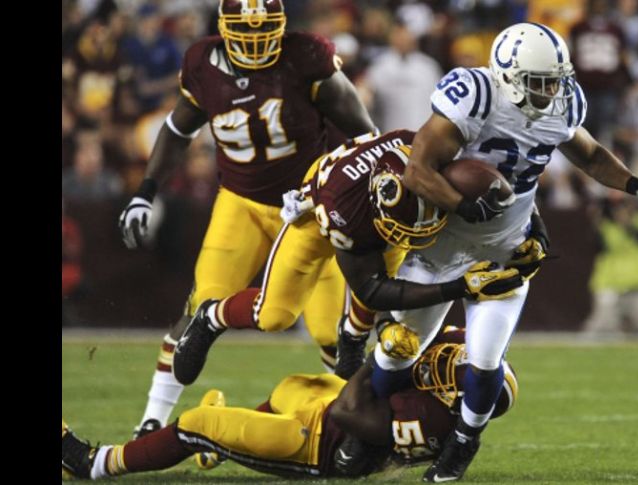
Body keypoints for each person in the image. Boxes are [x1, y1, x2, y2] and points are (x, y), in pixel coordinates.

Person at [365, 22, 638, 482]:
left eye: (555, 80)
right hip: (442, 247)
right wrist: (464, 204)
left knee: (485, 359)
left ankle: (462, 447)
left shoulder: (563, 102)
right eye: (539, 81)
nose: (551, 90)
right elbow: (417, 170)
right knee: (396, 351)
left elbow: (589, 155)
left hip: (506, 251)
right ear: (507, 75)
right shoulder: (476, 95)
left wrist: (636, 186)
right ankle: (369, 435)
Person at [117, 0, 379, 439]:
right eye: (245, 31)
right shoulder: (202, 63)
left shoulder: (306, 56)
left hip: (309, 211)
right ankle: (152, 420)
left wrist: (346, 193)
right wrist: (145, 192)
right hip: (241, 203)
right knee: (202, 303)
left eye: (265, 31)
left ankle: (345, 429)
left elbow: (363, 133)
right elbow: (178, 129)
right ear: (223, 27)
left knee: (330, 330)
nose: (256, 42)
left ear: (281, 27)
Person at [171, 130, 525, 387]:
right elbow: (372, 289)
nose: (407, 239)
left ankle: (352, 336)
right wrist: (457, 288)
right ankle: (211, 317)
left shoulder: (422, 156)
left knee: (385, 266)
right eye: (400, 229)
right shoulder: (346, 212)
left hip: (368, 205)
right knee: (275, 315)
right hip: (315, 215)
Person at [62, 329, 518, 480]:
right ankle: (216, 448)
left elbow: (347, 411)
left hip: (320, 442)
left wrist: (379, 358)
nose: (447, 361)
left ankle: (95, 463)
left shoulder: (434, 421)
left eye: (455, 372)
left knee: (197, 421)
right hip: (327, 407)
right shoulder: (458, 369)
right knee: (288, 386)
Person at [582, 196, 638, 339]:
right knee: (600, 328)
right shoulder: (606, 226)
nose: (622, 212)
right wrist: (597, 222)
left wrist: (629, 226)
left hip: (637, 285)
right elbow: (596, 246)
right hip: (609, 284)